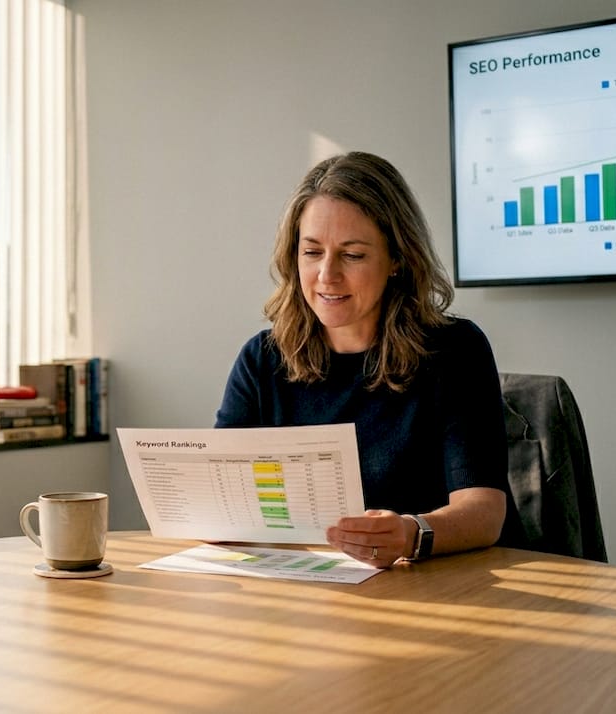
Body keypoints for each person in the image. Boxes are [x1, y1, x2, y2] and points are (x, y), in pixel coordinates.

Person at [215, 151, 510, 568]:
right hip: (302, 591)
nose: (327, 275)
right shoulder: (262, 359)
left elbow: (484, 512)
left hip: (430, 590)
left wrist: (411, 533)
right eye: (312, 252)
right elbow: (224, 499)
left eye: (352, 255)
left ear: (396, 259)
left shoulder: (454, 351)